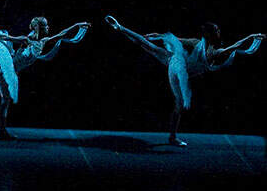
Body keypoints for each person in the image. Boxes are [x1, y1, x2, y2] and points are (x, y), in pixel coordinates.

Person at [104, 15, 263, 146]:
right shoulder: (201, 45)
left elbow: (234, 47)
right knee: (148, 47)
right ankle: (120, 27)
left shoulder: (211, 49)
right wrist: (159, 36)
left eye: (218, 30)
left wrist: (251, 38)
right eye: (215, 30)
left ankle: (121, 28)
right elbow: (179, 40)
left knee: (148, 46)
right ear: (208, 34)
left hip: (178, 62)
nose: (218, 32)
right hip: (177, 67)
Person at [0, 9, 90, 139]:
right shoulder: (26, 40)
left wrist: (77, 25)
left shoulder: (44, 41)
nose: (48, 27)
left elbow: (61, 34)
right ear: (39, 27)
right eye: (45, 25)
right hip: (4, 62)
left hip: (9, 71)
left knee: (5, 100)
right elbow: (7, 38)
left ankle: (2, 131)